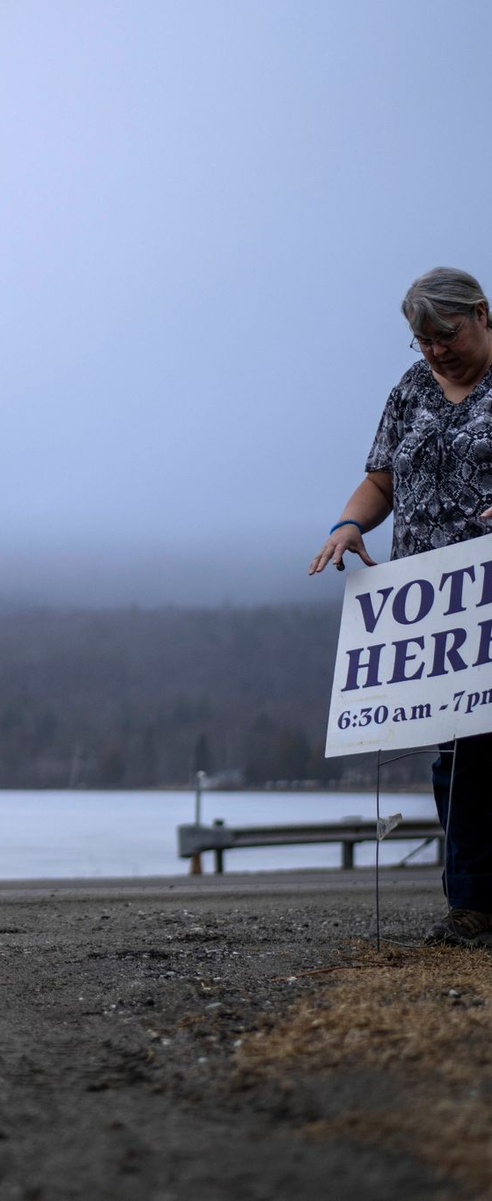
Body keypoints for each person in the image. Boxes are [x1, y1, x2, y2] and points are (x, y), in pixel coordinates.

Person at [310, 266, 492, 947]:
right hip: (434, 610)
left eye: (447, 334)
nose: (437, 351)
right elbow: (381, 476)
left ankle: (470, 905)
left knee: (480, 754)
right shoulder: (412, 389)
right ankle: (472, 902)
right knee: (455, 755)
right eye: (423, 341)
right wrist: (346, 525)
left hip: (490, 595)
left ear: (480, 313)